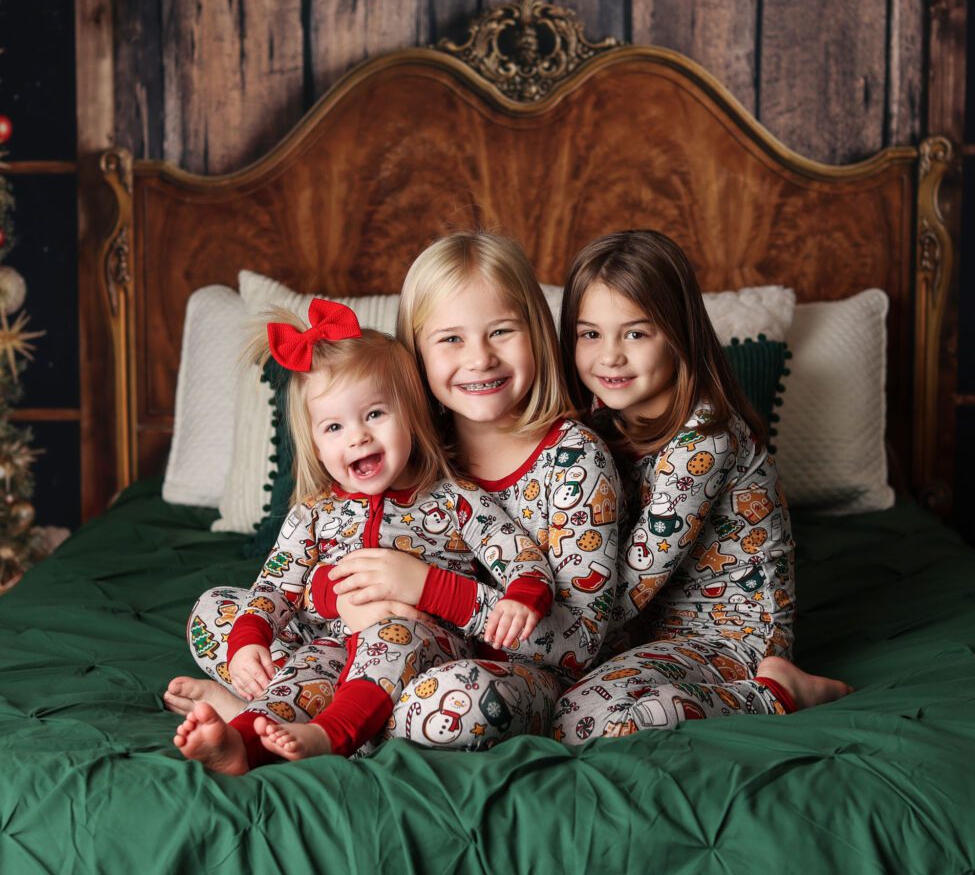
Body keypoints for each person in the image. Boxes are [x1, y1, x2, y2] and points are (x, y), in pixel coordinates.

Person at [170, 298, 554, 772]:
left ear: (411, 413)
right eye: (334, 426)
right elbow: (274, 587)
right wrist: (250, 639)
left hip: (422, 647)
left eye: (374, 414)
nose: (357, 437)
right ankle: (245, 739)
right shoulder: (311, 515)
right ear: (315, 442)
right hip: (329, 646)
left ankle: (326, 735)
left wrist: (523, 595)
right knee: (228, 617)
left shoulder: (454, 499)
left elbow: (521, 556)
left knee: (390, 638)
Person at [551, 230, 851, 742]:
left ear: (680, 333)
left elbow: (623, 590)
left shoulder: (705, 438)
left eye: (636, 334)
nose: (610, 357)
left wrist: (533, 631)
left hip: (727, 638)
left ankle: (778, 692)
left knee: (583, 718)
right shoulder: (597, 431)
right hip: (639, 639)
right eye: (590, 334)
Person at [325, 232, 622, 748]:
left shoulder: (575, 459)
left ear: (537, 331)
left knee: (456, 702)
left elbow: (579, 643)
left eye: (501, 331)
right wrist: (348, 602)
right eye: (450, 339)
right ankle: (319, 714)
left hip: (519, 678)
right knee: (228, 618)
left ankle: (340, 719)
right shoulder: (400, 453)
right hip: (394, 650)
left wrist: (428, 587)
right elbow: (321, 551)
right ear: (415, 353)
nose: (480, 358)